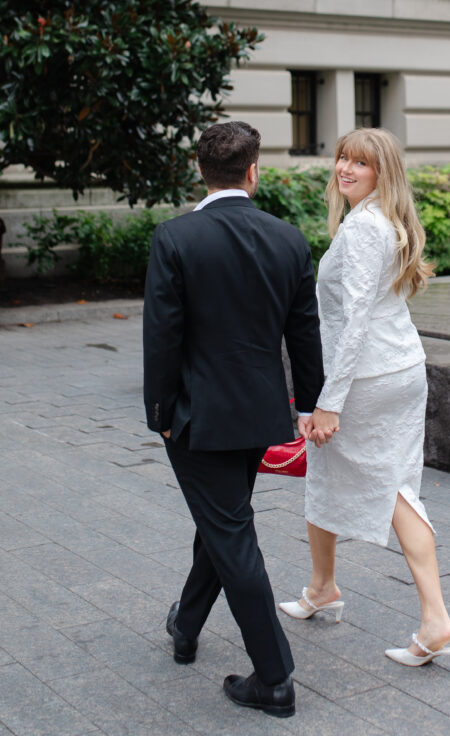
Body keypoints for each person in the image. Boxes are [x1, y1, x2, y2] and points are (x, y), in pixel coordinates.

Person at [143, 121, 332, 718]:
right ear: (254, 171)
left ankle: (274, 679)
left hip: (197, 420)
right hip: (259, 416)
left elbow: (161, 338)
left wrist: (160, 415)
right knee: (222, 520)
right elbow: (305, 334)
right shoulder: (288, 238)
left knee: (229, 530)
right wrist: (308, 406)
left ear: (201, 170)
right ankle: (186, 623)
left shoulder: (175, 237)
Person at [279, 127, 450, 670]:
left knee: (391, 488)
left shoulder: (364, 229)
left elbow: (354, 318)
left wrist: (328, 400)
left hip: (367, 378)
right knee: (331, 468)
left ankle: (435, 619)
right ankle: (322, 586)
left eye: (360, 163)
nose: (345, 169)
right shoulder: (382, 221)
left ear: (383, 173)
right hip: (396, 367)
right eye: (341, 158)